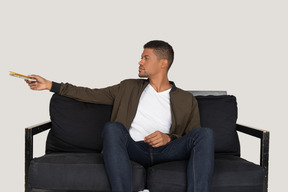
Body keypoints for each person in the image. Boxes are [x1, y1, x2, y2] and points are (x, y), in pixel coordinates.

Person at [26, 40, 214, 192]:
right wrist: (51, 85)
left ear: (163, 63)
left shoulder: (186, 99)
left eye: (146, 58)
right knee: (112, 128)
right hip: (132, 149)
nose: (140, 62)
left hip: (167, 151)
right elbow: (90, 93)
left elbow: (193, 135)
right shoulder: (127, 87)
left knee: (205, 134)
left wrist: (169, 138)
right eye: (141, 58)